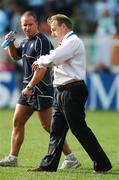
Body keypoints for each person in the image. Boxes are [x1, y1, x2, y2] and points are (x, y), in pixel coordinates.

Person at [29, 14, 112, 172]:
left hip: (72, 90)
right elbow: (55, 58)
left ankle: (103, 163)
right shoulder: (66, 43)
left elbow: (54, 58)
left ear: (63, 27)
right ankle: (48, 166)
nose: (52, 33)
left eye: (54, 29)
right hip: (62, 91)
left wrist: (39, 60)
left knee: (79, 129)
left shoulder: (72, 41)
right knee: (56, 131)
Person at [0, 11, 80, 169]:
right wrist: (10, 43)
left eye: (30, 24)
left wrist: (30, 86)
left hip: (40, 89)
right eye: (24, 25)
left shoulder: (41, 41)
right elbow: (16, 56)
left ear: (36, 24)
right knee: (17, 121)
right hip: (28, 89)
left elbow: (42, 68)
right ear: (21, 26)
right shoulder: (25, 42)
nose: (27, 27)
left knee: (48, 126)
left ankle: (71, 158)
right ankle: (12, 157)